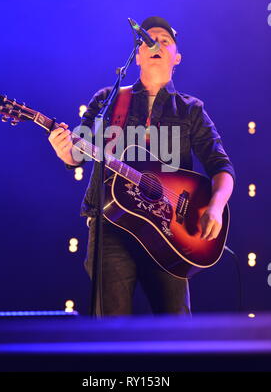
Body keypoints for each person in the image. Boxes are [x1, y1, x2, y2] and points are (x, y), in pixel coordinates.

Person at [48, 16, 235, 316]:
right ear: (138, 55)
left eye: (165, 41)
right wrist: (64, 151)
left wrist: (215, 207)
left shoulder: (191, 109)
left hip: (171, 233)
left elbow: (221, 167)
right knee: (110, 331)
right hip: (111, 225)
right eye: (149, 39)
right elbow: (77, 153)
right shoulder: (108, 101)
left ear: (177, 58)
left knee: (175, 332)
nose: (156, 44)